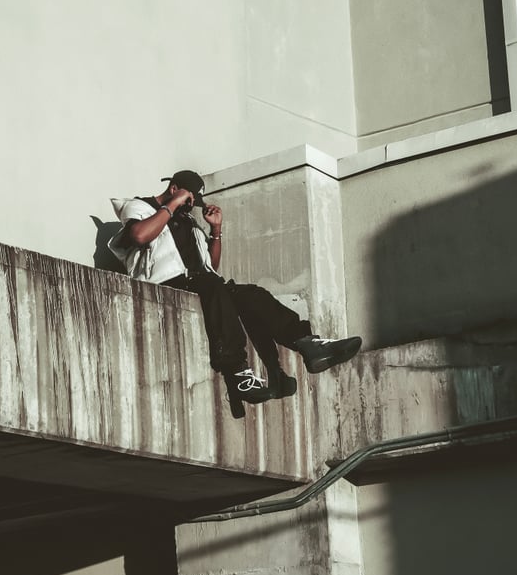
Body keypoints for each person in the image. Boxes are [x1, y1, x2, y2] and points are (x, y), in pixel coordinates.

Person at [108, 170, 362, 418]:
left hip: (201, 283)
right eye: (188, 199)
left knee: (254, 295)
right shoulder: (140, 207)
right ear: (174, 189)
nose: (190, 206)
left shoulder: (188, 221)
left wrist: (216, 231)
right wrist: (173, 204)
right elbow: (139, 236)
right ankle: (238, 372)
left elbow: (211, 267)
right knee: (214, 287)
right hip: (163, 284)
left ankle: (307, 344)